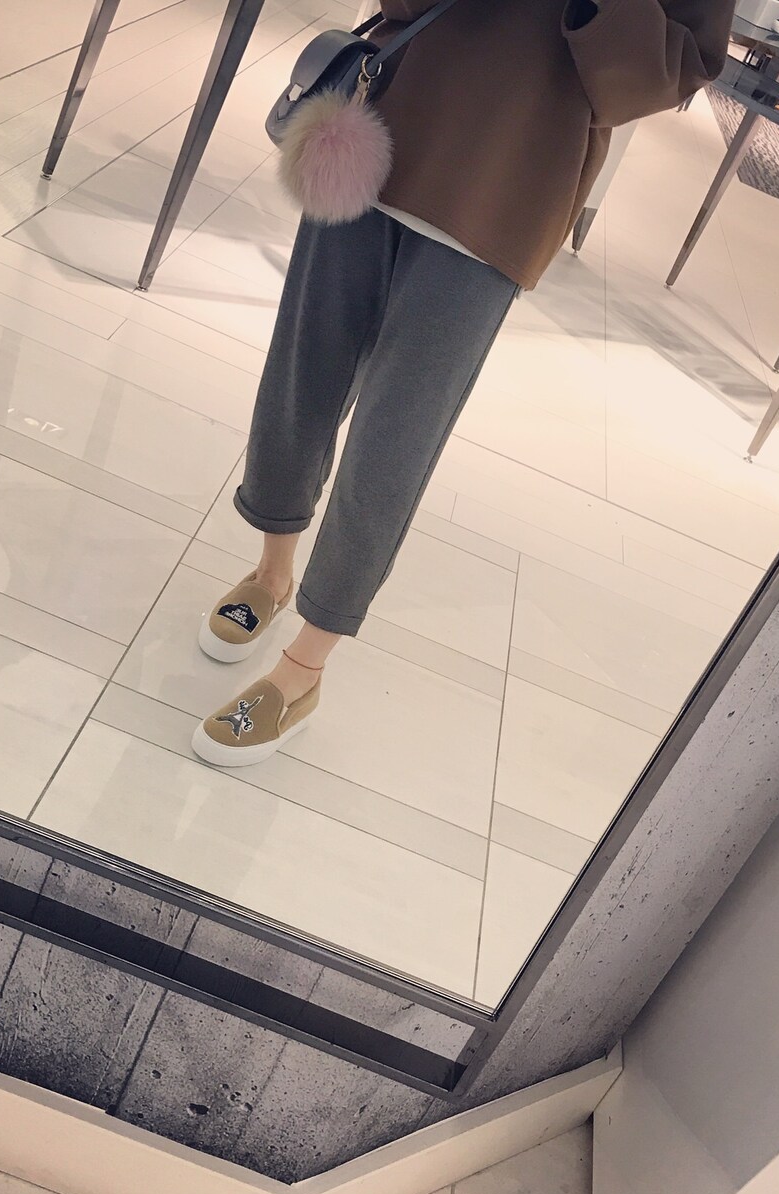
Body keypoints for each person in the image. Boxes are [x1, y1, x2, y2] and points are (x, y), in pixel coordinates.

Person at [191, 0, 734, 767]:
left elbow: (658, 77)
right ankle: (272, 571)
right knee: (301, 371)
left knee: (395, 439)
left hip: (507, 182)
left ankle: (305, 667)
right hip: (382, 130)